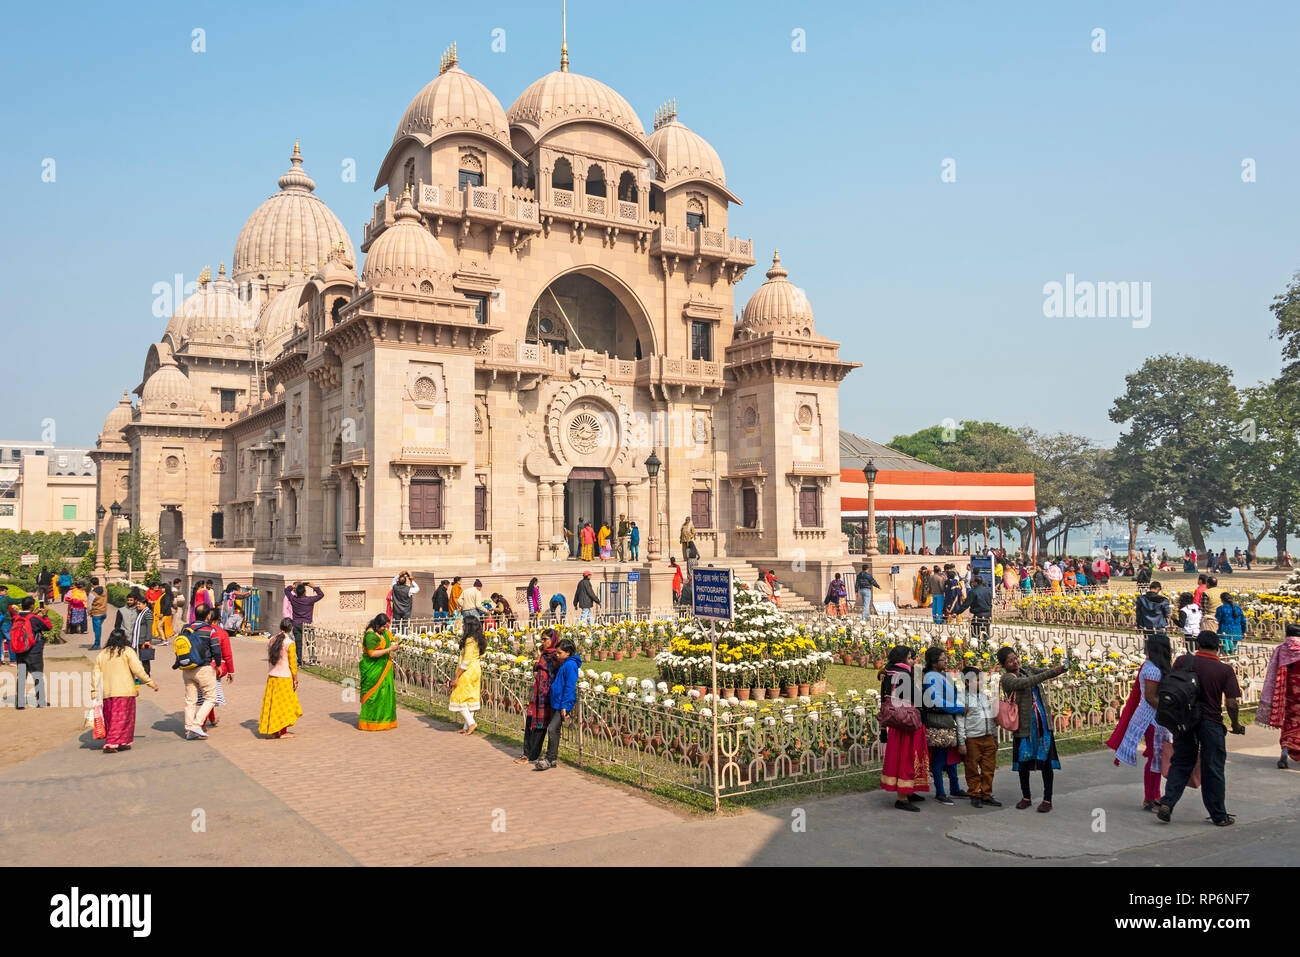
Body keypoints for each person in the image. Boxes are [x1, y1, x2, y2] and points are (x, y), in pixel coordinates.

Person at [1156, 631, 1246, 826]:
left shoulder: (1182, 662)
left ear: (1197, 645)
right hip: (1211, 722)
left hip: (1185, 720)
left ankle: (1168, 803)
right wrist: (1236, 724)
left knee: (1181, 761)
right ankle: (1219, 816)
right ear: (1218, 648)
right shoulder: (1224, 670)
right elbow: (1231, 703)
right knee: (1212, 767)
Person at [1107, 633, 1173, 811]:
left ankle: (1153, 795)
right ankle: (1151, 797)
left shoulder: (1154, 666)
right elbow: (1151, 698)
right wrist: (1171, 708)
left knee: (1156, 757)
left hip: (1156, 718)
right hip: (1151, 718)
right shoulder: (1152, 668)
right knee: (1155, 758)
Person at [998, 645, 1067, 812]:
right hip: (1025, 726)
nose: (1015, 662)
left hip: (1042, 723)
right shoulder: (1007, 679)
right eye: (1010, 661)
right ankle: (1026, 796)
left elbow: (1044, 671)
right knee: (1023, 763)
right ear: (1004, 665)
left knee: (1046, 762)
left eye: (1016, 658)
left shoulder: (1027, 668)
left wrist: (1062, 668)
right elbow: (1029, 682)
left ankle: (1047, 799)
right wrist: (1051, 672)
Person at [92, 626, 160, 752]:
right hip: (125, 692)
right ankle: (112, 742)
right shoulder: (127, 651)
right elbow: (138, 670)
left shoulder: (102, 654)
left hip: (107, 693)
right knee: (123, 719)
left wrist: (94, 692)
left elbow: (96, 675)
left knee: (111, 718)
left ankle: (122, 741)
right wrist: (150, 682)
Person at [879, 645, 929, 810]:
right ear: (902, 660)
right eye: (909, 658)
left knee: (903, 757)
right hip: (908, 722)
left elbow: (883, 699)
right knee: (907, 758)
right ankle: (902, 798)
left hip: (897, 723)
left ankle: (908, 790)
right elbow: (918, 697)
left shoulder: (888, 672)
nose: (913, 661)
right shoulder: (903, 675)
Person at [921, 647, 967, 806]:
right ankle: (940, 791)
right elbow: (937, 701)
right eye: (943, 659)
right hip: (938, 721)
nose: (947, 661)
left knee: (950, 757)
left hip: (948, 720)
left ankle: (955, 787)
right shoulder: (930, 677)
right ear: (934, 662)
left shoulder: (942, 675)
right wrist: (959, 708)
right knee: (940, 758)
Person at [175, 611, 223, 740]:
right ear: (208, 616)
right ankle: (196, 725)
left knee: (190, 701)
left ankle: (188, 730)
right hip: (204, 668)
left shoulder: (186, 628)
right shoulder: (210, 630)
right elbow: (216, 650)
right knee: (211, 697)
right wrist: (218, 665)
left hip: (187, 668)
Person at [1258, 623, 1300, 768]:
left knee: (1288, 723)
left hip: (1287, 694)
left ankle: (1284, 753)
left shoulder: (1281, 649)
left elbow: (1273, 672)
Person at [535, 637, 581, 770]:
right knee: (553, 730)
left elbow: (569, 687)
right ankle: (552, 758)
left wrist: (565, 706)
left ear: (568, 653)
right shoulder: (565, 663)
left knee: (552, 729)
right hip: (556, 701)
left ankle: (549, 759)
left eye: (560, 652)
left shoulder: (571, 665)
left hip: (562, 703)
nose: (557, 654)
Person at [960, 665, 1001, 807]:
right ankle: (975, 794)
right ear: (966, 683)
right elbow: (960, 722)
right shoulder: (962, 699)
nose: (981, 683)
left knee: (988, 768)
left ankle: (986, 794)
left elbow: (990, 718)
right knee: (972, 768)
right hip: (972, 738)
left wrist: (995, 738)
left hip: (988, 736)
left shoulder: (984, 696)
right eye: (977, 680)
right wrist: (961, 742)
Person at [518, 628, 561, 764]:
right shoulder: (543, 653)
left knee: (539, 725)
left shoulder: (555, 655)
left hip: (546, 695)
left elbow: (549, 673)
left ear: (552, 639)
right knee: (530, 722)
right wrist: (538, 657)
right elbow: (536, 671)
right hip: (537, 693)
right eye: (542, 639)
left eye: (545, 639)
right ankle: (526, 752)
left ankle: (531, 755)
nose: (543, 642)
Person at [257, 618, 302, 739]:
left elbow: (270, 658)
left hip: (272, 677)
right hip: (284, 678)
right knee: (284, 706)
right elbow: (293, 664)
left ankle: (274, 731)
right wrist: (295, 679)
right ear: (291, 628)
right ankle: (282, 732)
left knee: (273, 705)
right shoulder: (290, 643)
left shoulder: (272, 640)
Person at [358, 612, 399, 731]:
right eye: (383, 627)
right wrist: (389, 649)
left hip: (384, 669)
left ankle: (384, 720)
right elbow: (372, 653)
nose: (384, 629)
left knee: (384, 694)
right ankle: (370, 722)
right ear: (377, 625)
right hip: (373, 670)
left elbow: (388, 637)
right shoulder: (370, 636)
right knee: (373, 695)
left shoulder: (382, 632)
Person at [10, 597, 54, 708]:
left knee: (21, 676)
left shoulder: (15, 618)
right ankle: (41, 701)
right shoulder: (35, 618)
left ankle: (20, 703)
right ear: (32, 606)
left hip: (20, 651)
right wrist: (44, 615)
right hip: (34, 651)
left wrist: (34, 613)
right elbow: (48, 627)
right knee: (37, 676)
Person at [198, 606, 233, 730]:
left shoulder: (200, 630)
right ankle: (200, 724)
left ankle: (211, 719)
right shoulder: (222, 633)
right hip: (214, 668)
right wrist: (231, 671)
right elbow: (227, 654)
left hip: (199, 666)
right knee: (210, 697)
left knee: (207, 694)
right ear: (218, 618)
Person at [449, 614, 485, 734]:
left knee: (459, 697)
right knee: (470, 698)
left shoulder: (469, 641)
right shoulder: (478, 639)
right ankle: (466, 727)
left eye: (464, 624)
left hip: (468, 671)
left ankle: (471, 723)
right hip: (475, 670)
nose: (463, 626)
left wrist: (457, 676)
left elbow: (466, 661)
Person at [117, 590, 155, 677]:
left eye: (139, 604)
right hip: (136, 639)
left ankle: (146, 674)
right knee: (133, 657)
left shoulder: (147, 613)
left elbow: (149, 628)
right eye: (137, 604)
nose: (137, 605)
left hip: (144, 639)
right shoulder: (140, 612)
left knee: (144, 658)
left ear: (145, 604)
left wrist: (147, 640)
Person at [955, 574, 993, 646]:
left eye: (972, 582)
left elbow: (966, 605)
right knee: (986, 634)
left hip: (978, 616)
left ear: (976, 583)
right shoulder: (987, 591)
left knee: (975, 635)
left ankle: (976, 649)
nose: (971, 583)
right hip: (987, 616)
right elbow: (990, 604)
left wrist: (957, 613)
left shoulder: (973, 592)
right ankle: (986, 649)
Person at [285, 581, 325, 649]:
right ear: (305, 592)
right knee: (310, 642)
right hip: (307, 624)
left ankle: (299, 659)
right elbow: (321, 594)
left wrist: (294, 586)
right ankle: (312, 658)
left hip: (297, 624)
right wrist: (314, 587)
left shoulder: (293, 599)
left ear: (296, 592)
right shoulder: (309, 600)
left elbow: (286, 590)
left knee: (298, 644)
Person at [88, 577, 108, 649]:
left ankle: (97, 644)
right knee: (97, 629)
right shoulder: (104, 589)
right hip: (104, 612)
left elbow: (89, 605)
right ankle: (96, 643)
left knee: (97, 630)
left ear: (91, 584)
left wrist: (89, 613)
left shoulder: (92, 594)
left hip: (96, 613)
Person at [0, 584, 16, 665]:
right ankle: (13, 660)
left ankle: (1, 660)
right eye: (4, 591)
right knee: (10, 640)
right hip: (5, 622)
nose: (5, 592)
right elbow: (12, 612)